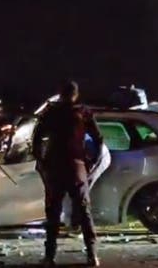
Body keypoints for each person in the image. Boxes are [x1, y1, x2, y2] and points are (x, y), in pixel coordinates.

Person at [33, 80, 103, 267]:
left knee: (53, 213)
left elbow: (36, 138)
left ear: (60, 94)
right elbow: (98, 139)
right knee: (84, 212)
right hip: (76, 167)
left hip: (55, 167)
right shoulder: (84, 113)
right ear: (76, 94)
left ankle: (50, 257)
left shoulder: (50, 112)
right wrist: (90, 162)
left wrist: (41, 161)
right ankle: (92, 255)